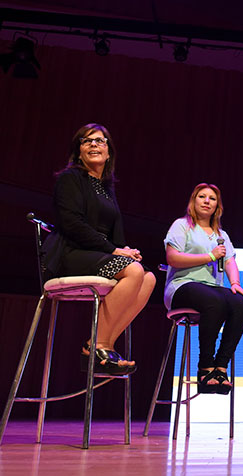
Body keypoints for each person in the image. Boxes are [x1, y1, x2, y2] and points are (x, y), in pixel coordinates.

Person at [41, 123, 156, 375]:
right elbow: (72, 225)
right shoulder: (70, 179)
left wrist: (124, 249)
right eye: (86, 141)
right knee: (134, 272)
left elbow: (114, 236)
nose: (93, 144)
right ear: (79, 151)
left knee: (148, 278)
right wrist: (115, 252)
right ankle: (97, 346)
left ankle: (102, 346)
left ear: (108, 152)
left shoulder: (106, 188)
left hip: (99, 254)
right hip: (71, 254)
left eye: (100, 141)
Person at [164, 183, 243, 394]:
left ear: (217, 206)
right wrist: (210, 256)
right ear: (193, 201)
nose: (206, 201)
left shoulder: (221, 234)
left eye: (212, 198)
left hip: (212, 288)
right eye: (201, 197)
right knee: (214, 301)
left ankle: (221, 367)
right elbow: (172, 258)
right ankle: (205, 367)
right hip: (182, 286)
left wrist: (236, 284)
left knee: (240, 303)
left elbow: (229, 261)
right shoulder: (182, 225)